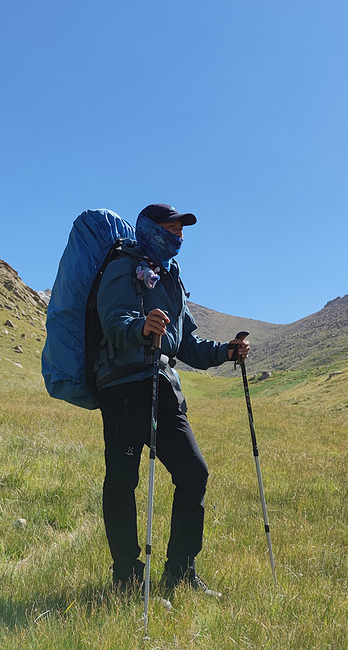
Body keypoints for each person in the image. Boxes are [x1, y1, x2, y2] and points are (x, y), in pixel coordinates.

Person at [94, 203, 249, 597]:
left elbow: (188, 344)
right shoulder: (122, 266)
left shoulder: (172, 278)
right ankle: (127, 576)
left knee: (193, 472)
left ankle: (180, 571)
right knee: (123, 481)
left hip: (163, 387)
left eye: (181, 231)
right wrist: (141, 327)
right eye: (171, 228)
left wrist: (226, 352)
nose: (178, 236)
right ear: (149, 228)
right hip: (124, 388)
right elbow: (113, 321)